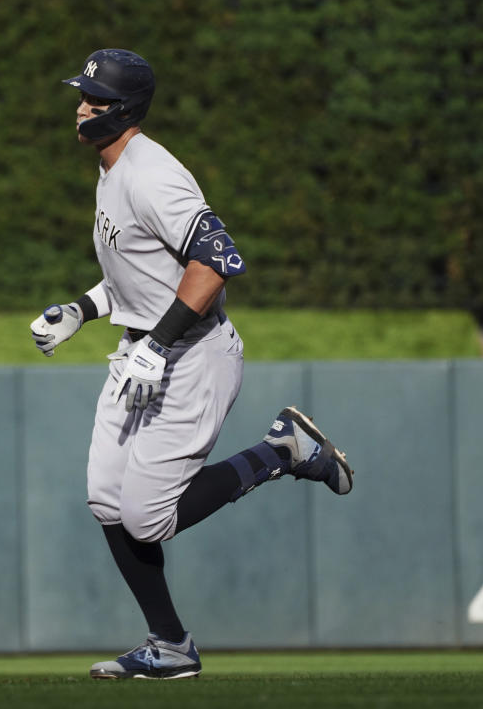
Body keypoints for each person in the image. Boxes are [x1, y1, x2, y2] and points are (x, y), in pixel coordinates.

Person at [30, 48, 353, 680]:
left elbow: (218, 260)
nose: (80, 106)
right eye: (82, 94)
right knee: (105, 502)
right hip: (143, 353)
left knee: (148, 518)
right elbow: (147, 273)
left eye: (93, 98)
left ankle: (280, 451)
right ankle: (171, 646)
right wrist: (83, 308)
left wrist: (156, 343)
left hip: (193, 355)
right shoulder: (112, 168)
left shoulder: (153, 174)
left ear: (122, 110)